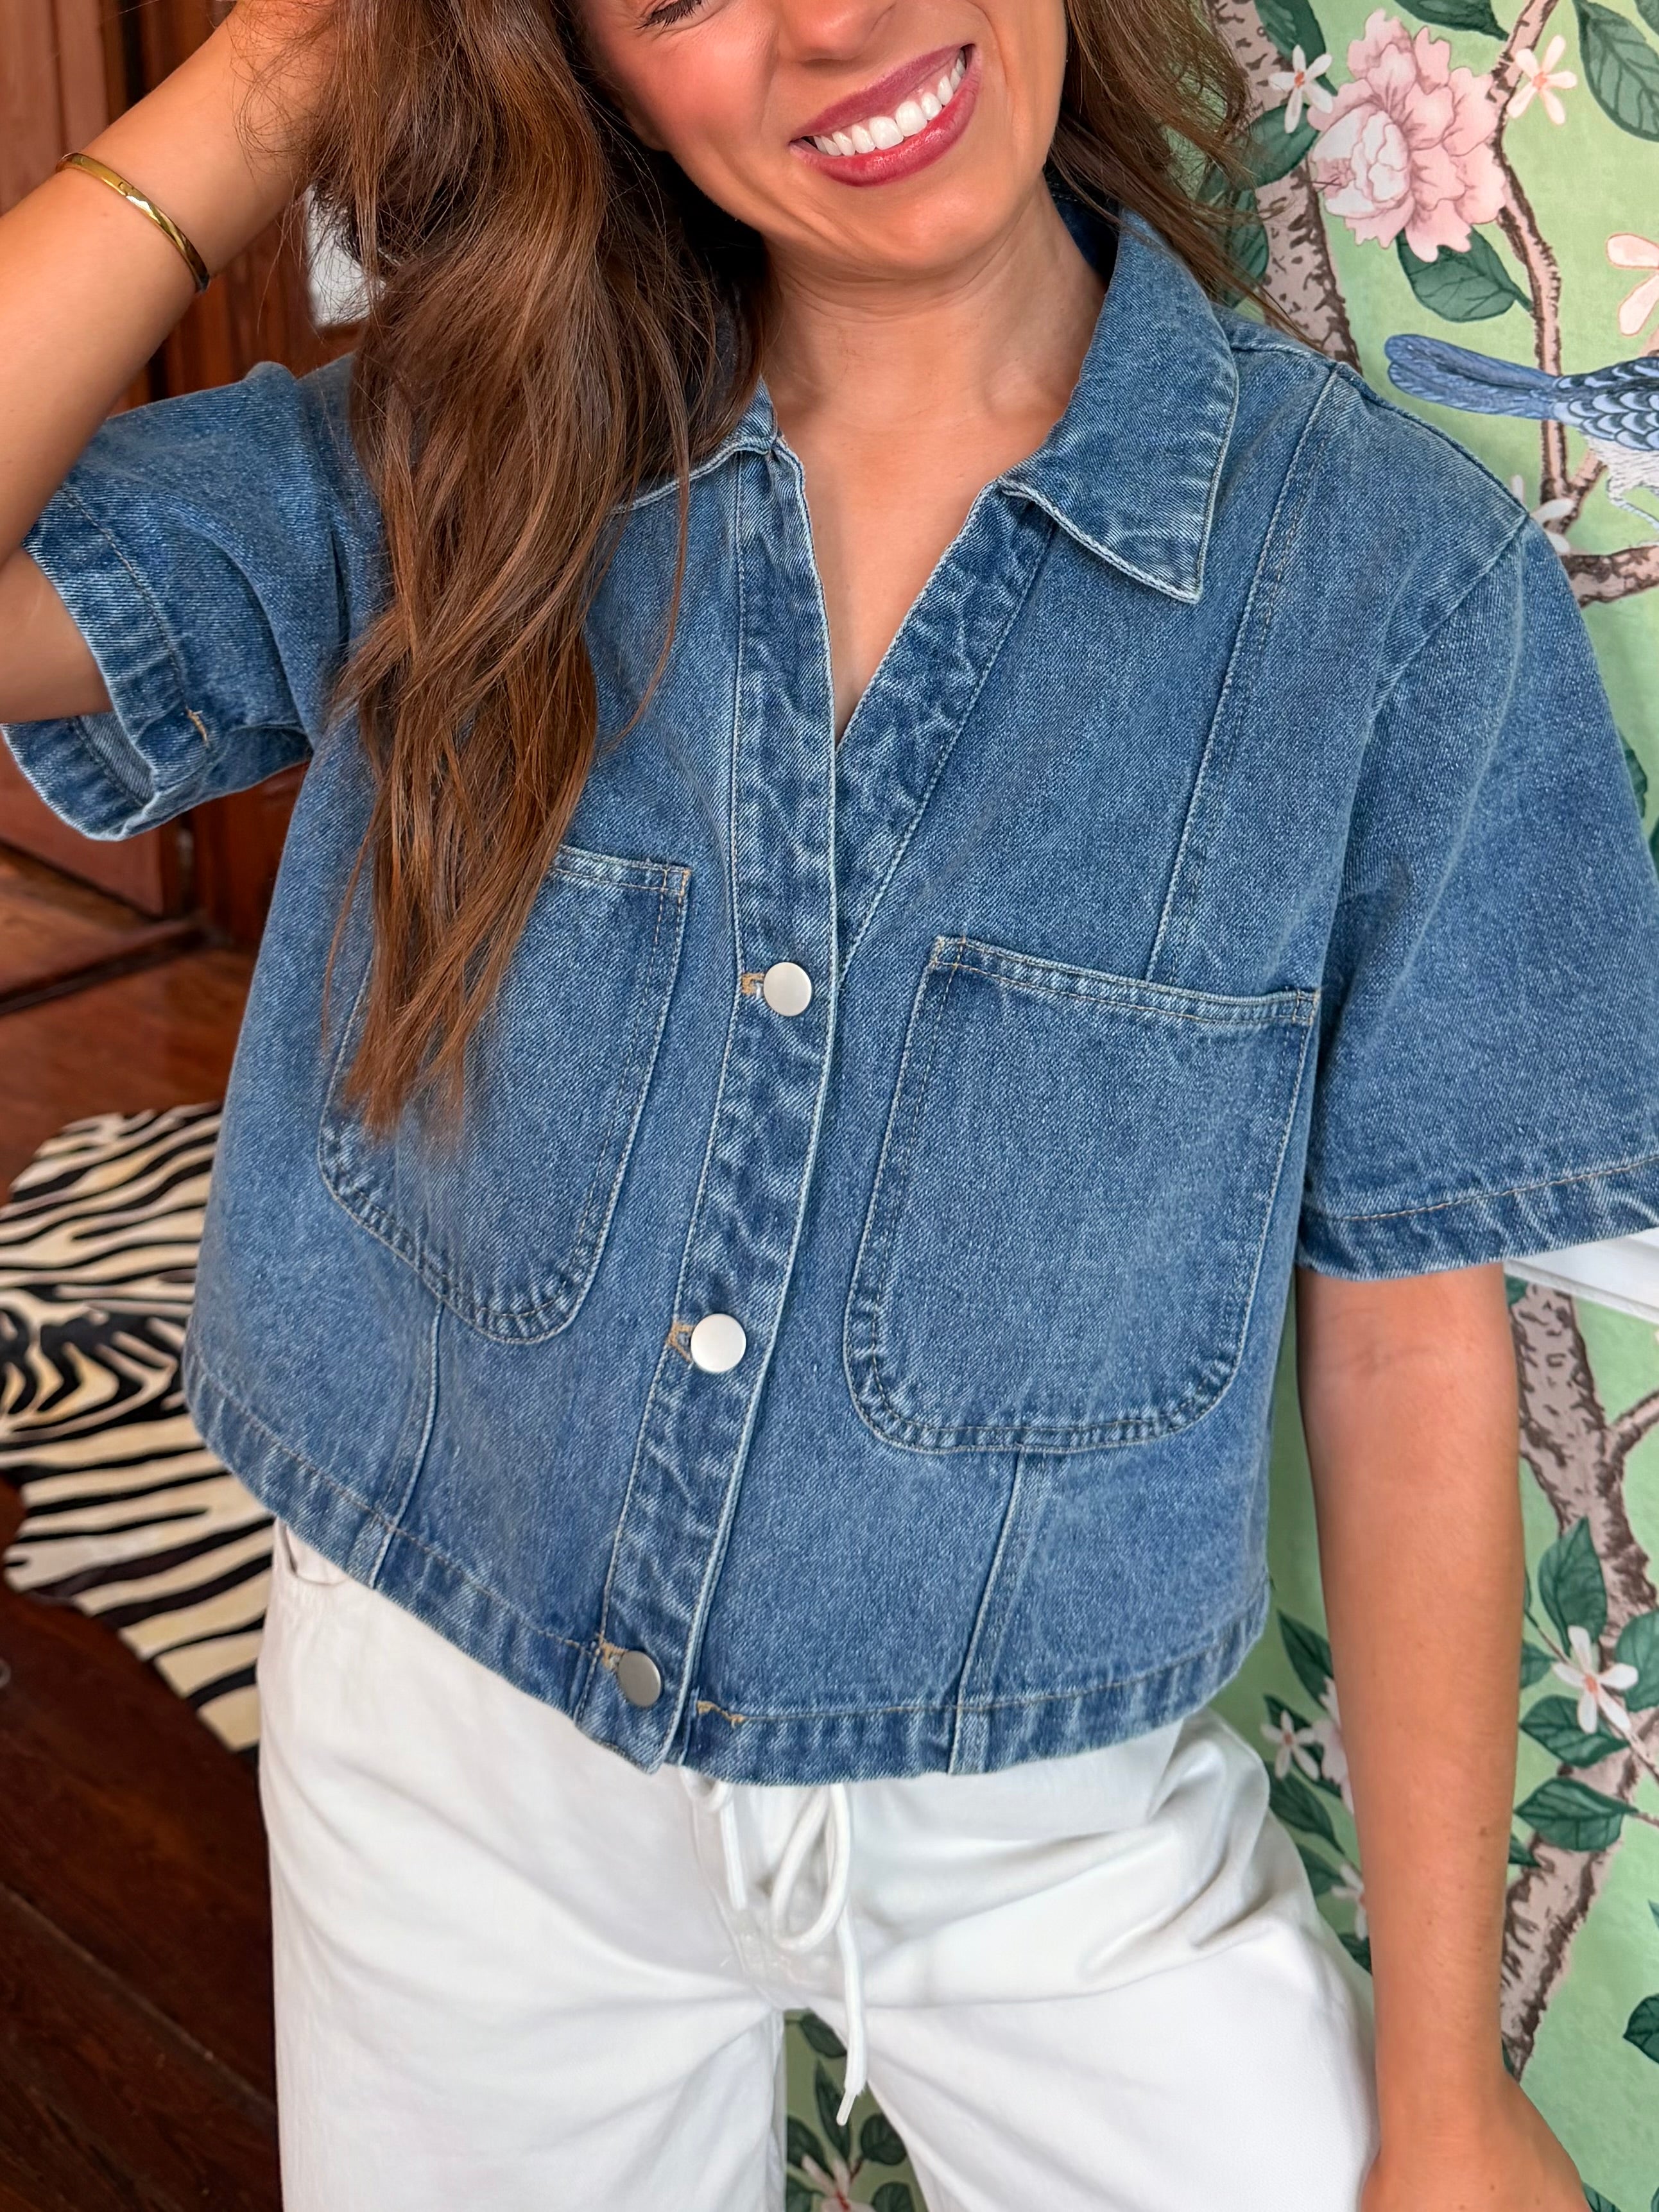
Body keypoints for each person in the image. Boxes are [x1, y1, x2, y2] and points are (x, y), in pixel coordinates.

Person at [2, 1, 1655, 2206]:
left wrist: (1443, 2088)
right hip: (451, 1745)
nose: (837, 24)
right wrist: (288, 68)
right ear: (583, 64)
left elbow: (1407, 1342)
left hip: (1046, 1836)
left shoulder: (1387, 587)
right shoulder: (460, 460)